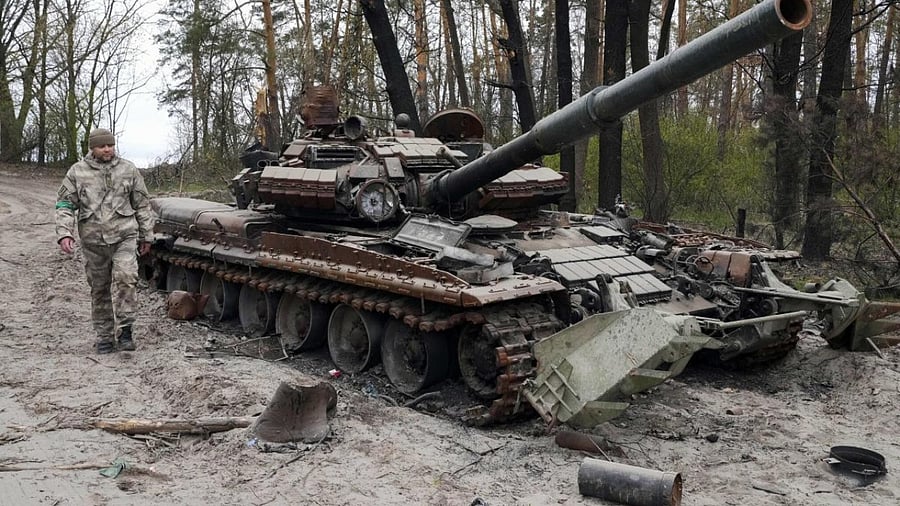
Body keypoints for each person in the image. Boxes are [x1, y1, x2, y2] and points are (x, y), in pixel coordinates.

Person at [55, 127, 155, 354]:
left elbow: (142, 204)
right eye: (102, 146)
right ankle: (104, 336)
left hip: (124, 237)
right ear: (92, 148)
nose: (107, 149)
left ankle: (126, 330)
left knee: (126, 279)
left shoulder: (128, 170)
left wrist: (147, 234)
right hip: (93, 241)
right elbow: (64, 205)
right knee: (99, 289)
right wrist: (64, 233)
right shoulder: (77, 172)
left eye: (110, 145)